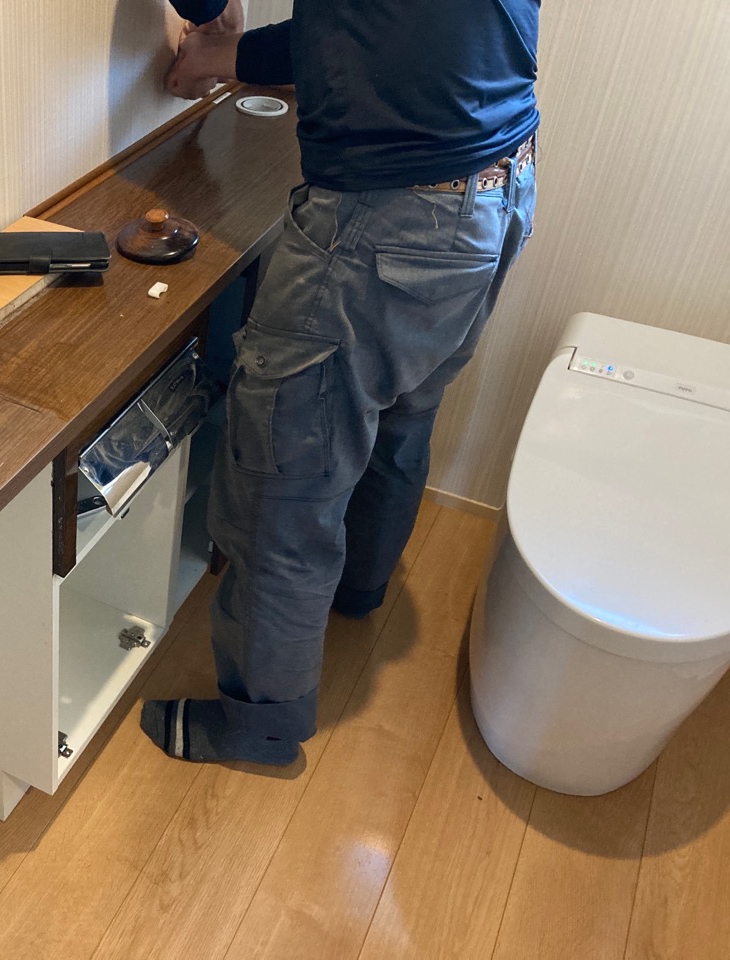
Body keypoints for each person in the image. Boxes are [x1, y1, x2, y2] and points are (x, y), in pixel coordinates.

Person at [140, 0, 540, 766]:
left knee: (281, 493)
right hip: (499, 186)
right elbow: (372, 30)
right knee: (401, 412)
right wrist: (226, 57)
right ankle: (357, 588)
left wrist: (209, 27)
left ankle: (258, 726)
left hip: (389, 217)